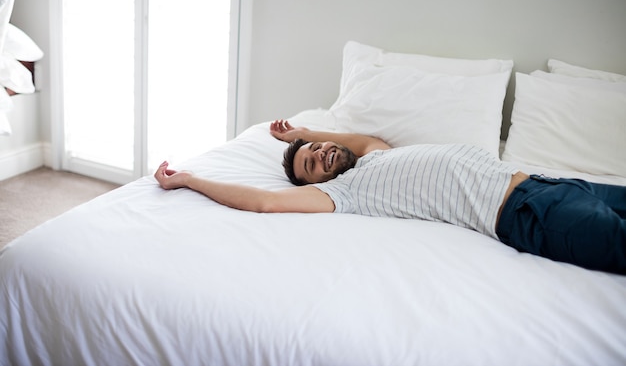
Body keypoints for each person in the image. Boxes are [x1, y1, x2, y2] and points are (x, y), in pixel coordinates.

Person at [155, 119, 626, 274]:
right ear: (316, 184)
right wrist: (191, 179)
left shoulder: (376, 156)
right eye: (311, 164)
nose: (321, 154)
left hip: (550, 185)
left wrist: (299, 135)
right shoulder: (346, 193)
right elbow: (265, 202)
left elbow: (355, 141)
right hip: (526, 213)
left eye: (318, 150)